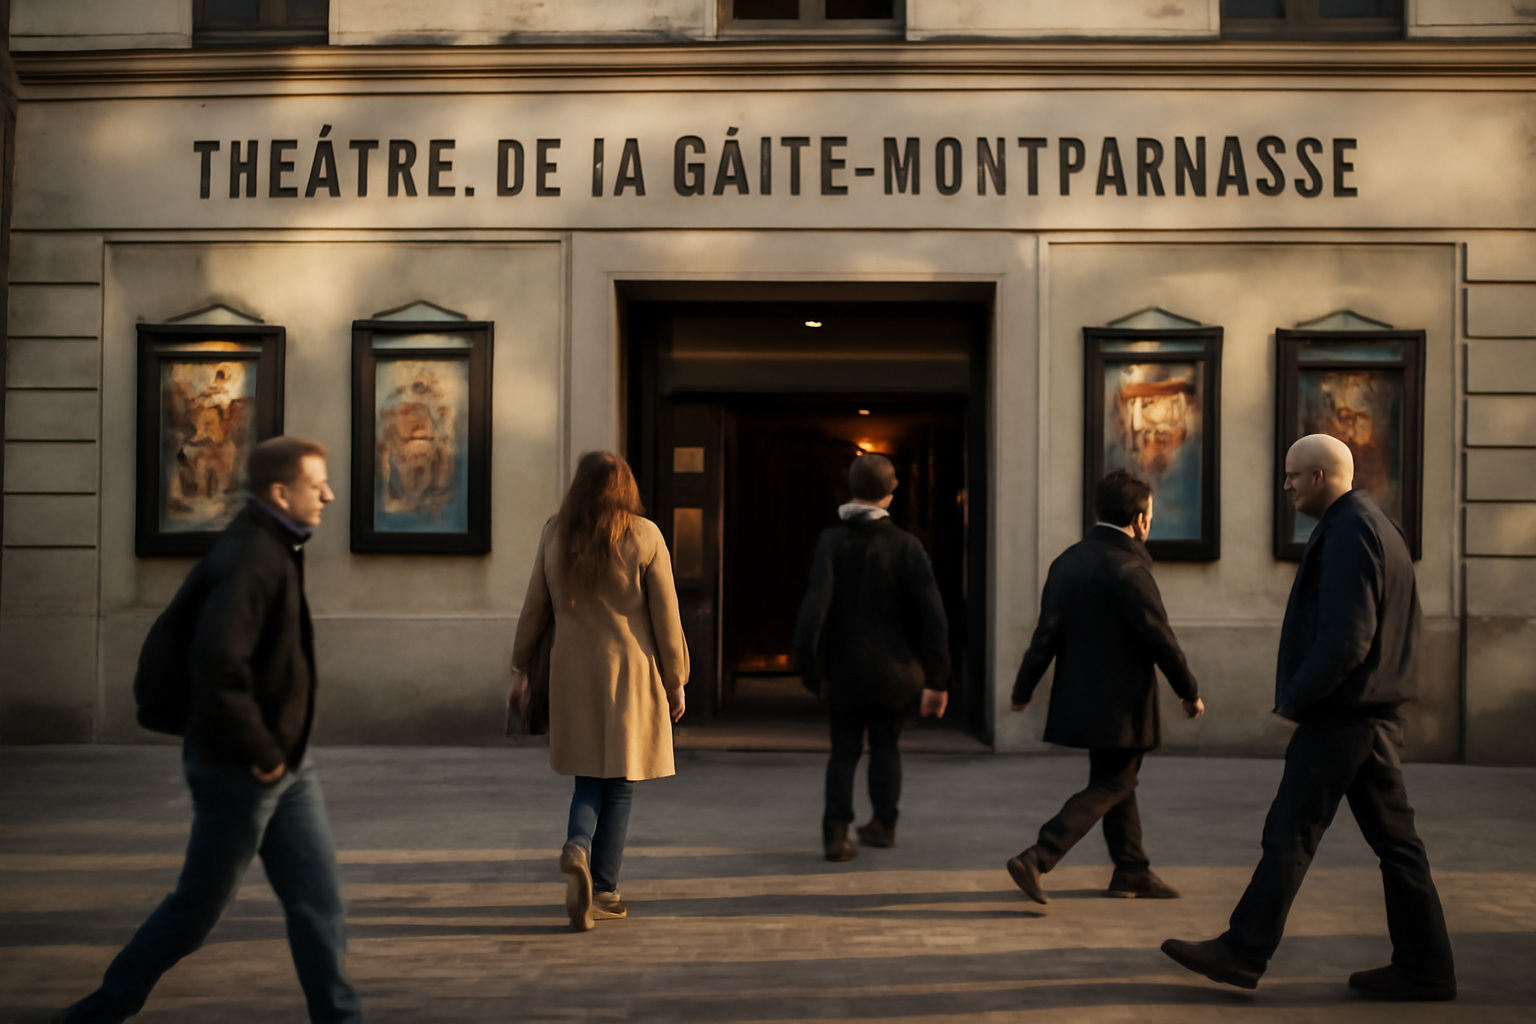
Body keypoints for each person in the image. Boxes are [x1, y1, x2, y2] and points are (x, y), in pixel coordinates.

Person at [59, 437, 363, 1024]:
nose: (329, 494)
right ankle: (99, 1010)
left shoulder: (274, 546)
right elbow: (217, 663)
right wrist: (261, 753)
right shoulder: (252, 555)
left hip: (285, 767)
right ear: (280, 492)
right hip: (241, 766)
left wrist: (281, 757)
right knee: (196, 909)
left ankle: (341, 1018)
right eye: (316, 483)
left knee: (319, 904)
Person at [1163, 434, 1456, 1001]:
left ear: (1320, 477)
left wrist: (1298, 697)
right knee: (1398, 845)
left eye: (1294, 475)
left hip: (1344, 716)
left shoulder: (1347, 531)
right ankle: (1427, 966)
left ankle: (1243, 950)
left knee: (1290, 832)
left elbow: (1349, 637)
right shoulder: (1379, 526)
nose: (1287, 485)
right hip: (1372, 714)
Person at [508, 451, 689, 932]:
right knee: (622, 781)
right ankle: (605, 890)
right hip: (631, 670)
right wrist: (676, 680)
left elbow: (534, 607)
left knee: (587, 774)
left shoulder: (555, 532)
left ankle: (577, 846)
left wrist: (519, 666)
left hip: (572, 670)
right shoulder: (645, 535)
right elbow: (667, 619)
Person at [1005, 469, 1205, 904]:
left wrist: (1023, 688)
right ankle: (1039, 855)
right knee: (1114, 783)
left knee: (1117, 780)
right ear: (1139, 518)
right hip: (1123, 703)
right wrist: (1188, 691)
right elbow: (1161, 640)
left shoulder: (1068, 561)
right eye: (1150, 514)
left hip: (1080, 698)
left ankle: (1132, 870)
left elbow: (1046, 635)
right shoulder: (1131, 571)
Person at [793, 453, 951, 862]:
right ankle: (883, 825)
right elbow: (934, 617)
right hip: (896, 673)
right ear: (890, 493)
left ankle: (836, 834)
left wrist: (809, 667)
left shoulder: (831, 542)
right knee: (886, 747)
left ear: (852, 489)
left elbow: (814, 611)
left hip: (845, 671)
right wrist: (937, 679)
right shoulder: (908, 546)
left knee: (843, 751)